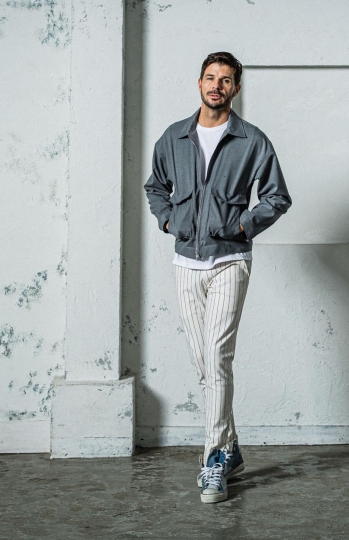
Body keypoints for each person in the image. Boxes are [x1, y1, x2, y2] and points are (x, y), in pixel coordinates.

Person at [144, 51, 292, 503]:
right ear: (199, 83)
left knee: (217, 356)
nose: (216, 86)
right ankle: (230, 448)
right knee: (204, 365)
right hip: (186, 263)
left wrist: (243, 225)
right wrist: (168, 220)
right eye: (210, 78)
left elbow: (277, 197)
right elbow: (155, 187)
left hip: (230, 260)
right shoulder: (174, 137)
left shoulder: (252, 141)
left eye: (226, 80)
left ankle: (212, 460)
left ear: (236, 89)